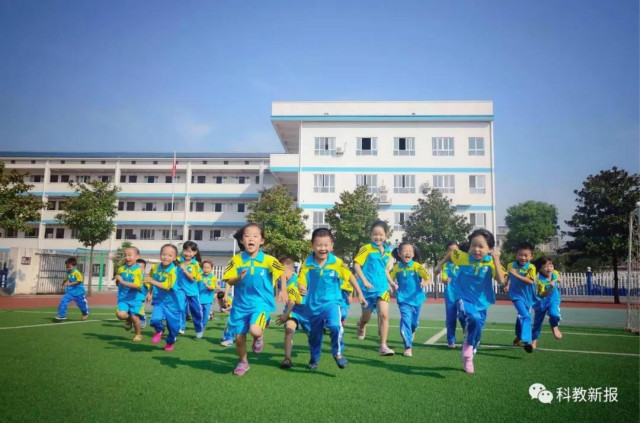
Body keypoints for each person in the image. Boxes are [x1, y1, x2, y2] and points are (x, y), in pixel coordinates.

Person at [298, 228, 368, 370]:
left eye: (326, 245)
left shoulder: (337, 262)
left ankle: (338, 354)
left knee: (336, 326)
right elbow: (301, 279)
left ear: (331, 245)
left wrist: (360, 293)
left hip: (332, 303)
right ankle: (314, 358)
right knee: (314, 335)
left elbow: (350, 276)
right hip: (313, 305)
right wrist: (301, 286)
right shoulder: (308, 263)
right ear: (312, 245)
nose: (322, 248)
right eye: (319, 245)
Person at [222, 223, 287, 376]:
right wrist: (238, 277)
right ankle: (243, 362)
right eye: (247, 236)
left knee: (255, 330)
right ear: (242, 240)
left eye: (255, 236)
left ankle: (259, 335)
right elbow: (229, 280)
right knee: (239, 338)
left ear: (262, 241)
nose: (251, 239)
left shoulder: (268, 260)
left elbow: (282, 272)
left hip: (260, 303)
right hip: (240, 305)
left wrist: (283, 289)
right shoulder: (236, 260)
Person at [440, 229, 505, 373]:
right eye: (473, 245)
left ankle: (469, 351)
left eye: (481, 246)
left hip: (482, 302)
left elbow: (501, 281)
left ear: (489, 249)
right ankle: (468, 350)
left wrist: (496, 259)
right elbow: (451, 254)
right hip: (463, 297)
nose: (476, 249)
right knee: (473, 317)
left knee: (477, 333)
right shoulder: (462, 257)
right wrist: (439, 266)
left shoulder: (491, 263)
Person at [354, 220, 396, 356]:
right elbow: (356, 265)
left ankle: (383, 346)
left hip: (382, 287)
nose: (378, 237)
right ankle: (361, 324)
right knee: (366, 317)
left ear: (385, 236)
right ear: (371, 235)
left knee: (384, 314)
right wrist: (365, 281)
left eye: (381, 234)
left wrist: (391, 283)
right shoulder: (366, 248)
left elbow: (384, 270)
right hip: (367, 289)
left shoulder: (388, 251)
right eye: (375, 234)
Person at [389, 242, 430, 357]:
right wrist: (391, 286)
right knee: (405, 321)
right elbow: (390, 278)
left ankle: (414, 328)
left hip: (416, 299)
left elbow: (428, 278)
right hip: (403, 299)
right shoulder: (396, 268)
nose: (408, 253)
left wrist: (425, 283)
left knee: (413, 323)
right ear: (399, 253)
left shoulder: (417, 266)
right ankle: (408, 346)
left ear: (413, 254)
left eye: (410, 251)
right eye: (405, 251)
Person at [276, 257, 310, 369]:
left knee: (312, 336)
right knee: (288, 330)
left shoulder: (296, 281)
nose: (281, 275)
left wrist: (285, 315)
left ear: (291, 270)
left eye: (283, 272)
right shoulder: (284, 282)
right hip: (294, 311)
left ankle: (314, 357)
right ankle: (287, 358)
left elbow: (292, 302)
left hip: (305, 311)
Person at [148, 244, 182, 351]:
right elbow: (150, 280)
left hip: (173, 304)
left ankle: (170, 343)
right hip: (159, 301)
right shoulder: (155, 268)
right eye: (164, 254)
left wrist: (152, 281)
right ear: (160, 255)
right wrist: (150, 292)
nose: (166, 257)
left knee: (174, 328)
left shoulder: (174, 271)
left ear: (174, 258)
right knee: (154, 320)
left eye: (170, 255)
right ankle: (159, 329)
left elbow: (167, 286)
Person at [506, 242, 537, 353]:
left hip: (528, 297)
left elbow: (530, 281)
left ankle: (519, 336)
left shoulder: (531, 267)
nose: (523, 258)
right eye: (520, 255)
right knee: (525, 316)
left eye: (526, 255)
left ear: (531, 256)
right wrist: (507, 284)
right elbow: (509, 275)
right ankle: (527, 341)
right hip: (516, 296)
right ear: (516, 255)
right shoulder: (511, 265)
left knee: (521, 317)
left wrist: (516, 275)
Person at [434, 241, 466, 348]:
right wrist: (445, 280)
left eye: (455, 251)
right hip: (450, 295)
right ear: (446, 252)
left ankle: (466, 332)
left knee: (463, 314)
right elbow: (443, 278)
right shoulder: (446, 265)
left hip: (462, 294)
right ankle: (451, 340)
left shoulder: (463, 263)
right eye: (450, 251)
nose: (452, 253)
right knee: (451, 318)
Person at [531, 256, 563, 348]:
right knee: (537, 323)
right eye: (546, 266)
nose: (549, 268)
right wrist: (550, 288)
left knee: (554, 314)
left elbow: (558, 277)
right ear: (540, 268)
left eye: (551, 266)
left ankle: (554, 326)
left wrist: (559, 279)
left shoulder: (555, 273)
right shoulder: (539, 280)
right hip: (541, 303)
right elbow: (542, 295)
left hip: (553, 300)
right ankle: (534, 340)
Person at [115, 246, 144, 342]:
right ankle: (128, 319)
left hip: (136, 299)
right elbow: (118, 283)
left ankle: (138, 334)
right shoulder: (121, 269)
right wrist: (117, 280)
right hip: (123, 298)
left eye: (129, 255)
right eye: (125, 255)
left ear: (136, 257)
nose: (127, 257)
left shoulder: (138, 271)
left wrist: (122, 281)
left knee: (135, 318)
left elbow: (136, 285)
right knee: (120, 315)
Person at [177, 241, 204, 338]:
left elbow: (192, 278)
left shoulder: (196, 264)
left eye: (190, 251)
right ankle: (181, 327)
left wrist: (184, 269)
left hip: (192, 292)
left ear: (195, 252)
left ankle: (199, 329)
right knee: (180, 307)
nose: (187, 253)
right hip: (180, 289)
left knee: (196, 312)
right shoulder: (178, 260)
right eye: (185, 250)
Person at [199, 260, 218, 331]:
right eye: (204, 267)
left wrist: (206, 284)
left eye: (208, 268)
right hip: (199, 299)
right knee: (198, 314)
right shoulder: (199, 276)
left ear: (211, 269)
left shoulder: (213, 277)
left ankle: (203, 326)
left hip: (208, 300)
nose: (206, 269)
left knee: (205, 315)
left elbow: (212, 288)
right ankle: (199, 325)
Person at [136, 258, 148, 329]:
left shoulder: (145, 278)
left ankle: (143, 318)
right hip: (132, 296)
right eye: (137, 267)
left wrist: (149, 294)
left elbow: (150, 287)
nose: (139, 269)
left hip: (141, 297)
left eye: (141, 267)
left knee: (140, 311)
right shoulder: (132, 276)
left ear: (144, 268)